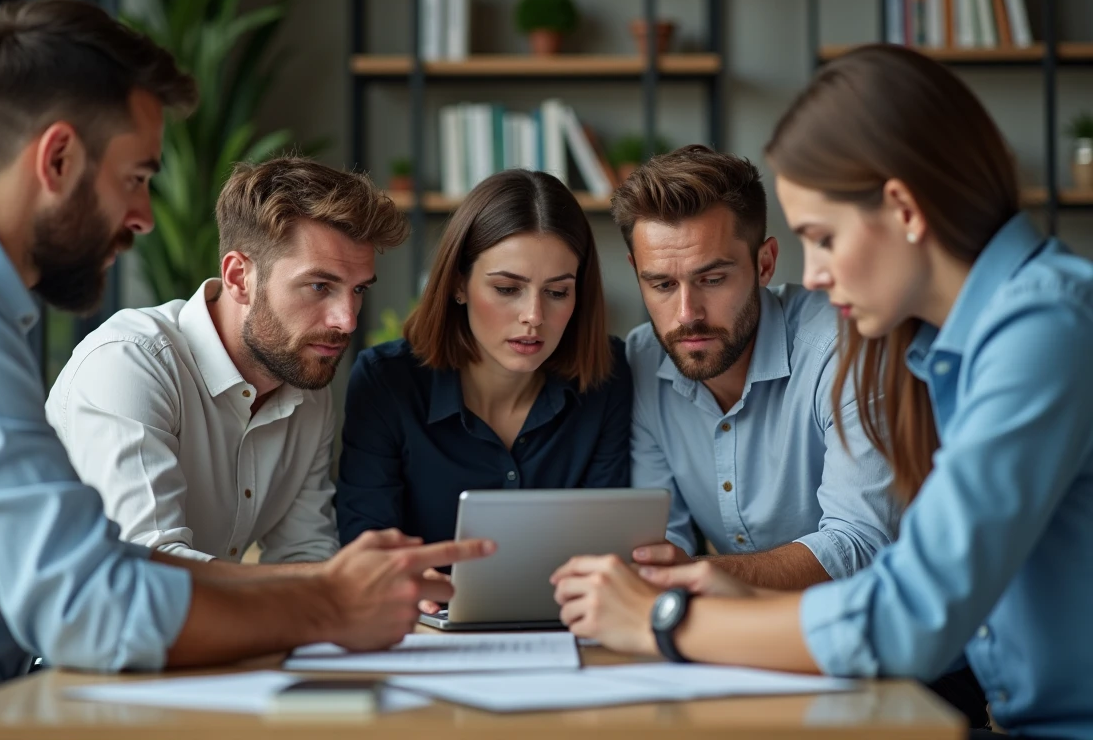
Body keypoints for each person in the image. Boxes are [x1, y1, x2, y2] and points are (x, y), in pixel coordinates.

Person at [0, 0, 491, 739]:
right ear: (57, 159)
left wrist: (341, 586)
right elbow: (98, 604)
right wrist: (331, 601)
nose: (144, 217)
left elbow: (110, 561)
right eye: (137, 177)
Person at [551, 44, 1093, 740]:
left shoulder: (1044, 329)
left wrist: (669, 618)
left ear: (901, 209)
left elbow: (909, 615)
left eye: (824, 237)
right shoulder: (955, 345)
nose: (812, 275)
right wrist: (721, 591)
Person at [47, 156, 405, 565]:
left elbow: (303, 553)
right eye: (320, 286)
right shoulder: (130, 363)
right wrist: (327, 591)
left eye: (359, 290)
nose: (347, 320)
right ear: (239, 278)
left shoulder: (305, 382)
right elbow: (153, 569)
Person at [612, 145, 900, 590]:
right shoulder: (642, 359)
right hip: (730, 639)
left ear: (764, 263)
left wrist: (699, 574)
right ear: (637, 273)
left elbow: (861, 542)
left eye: (712, 279)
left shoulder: (845, 351)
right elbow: (662, 537)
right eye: (663, 284)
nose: (687, 313)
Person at [335, 169, 632, 554]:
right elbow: (366, 547)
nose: (534, 316)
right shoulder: (386, 382)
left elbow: (607, 546)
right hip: (417, 612)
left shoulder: (608, 376)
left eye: (557, 292)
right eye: (507, 289)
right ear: (459, 284)